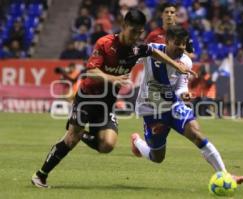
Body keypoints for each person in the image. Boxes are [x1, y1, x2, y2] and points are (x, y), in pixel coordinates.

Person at [31, 9, 195, 188]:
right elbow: (91, 71)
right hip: (88, 98)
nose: (136, 35)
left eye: (140, 32)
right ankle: (41, 175)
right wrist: (113, 78)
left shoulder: (137, 48)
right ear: (124, 26)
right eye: (133, 31)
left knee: (107, 145)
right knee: (70, 140)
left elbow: (154, 52)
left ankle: (80, 133)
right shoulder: (105, 43)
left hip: (107, 104)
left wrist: (176, 65)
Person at [131, 25, 243, 185]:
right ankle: (137, 142)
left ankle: (225, 174)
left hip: (173, 106)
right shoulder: (152, 51)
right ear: (167, 41)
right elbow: (135, 51)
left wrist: (183, 94)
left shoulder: (186, 61)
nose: (181, 47)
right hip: (151, 109)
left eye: (183, 44)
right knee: (157, 157)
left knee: (196, 133)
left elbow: (180, 87)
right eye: (177, 43)